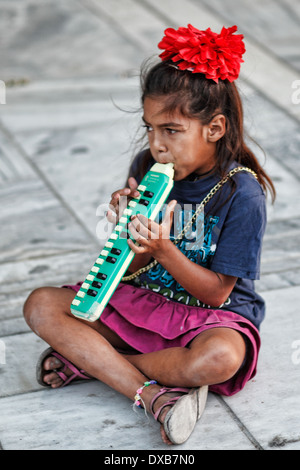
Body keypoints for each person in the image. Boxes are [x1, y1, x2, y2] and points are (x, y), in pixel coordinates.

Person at [23, 24, 275, 446]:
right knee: (42, 305)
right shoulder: (147, 164)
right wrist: (129, 231)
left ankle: (94, 364)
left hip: (210, 317)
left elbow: (216, 294)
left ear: (214, 128)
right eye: (150, 128)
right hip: (148, 301)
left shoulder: (242, 193)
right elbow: (129, 269)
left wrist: (165, 248)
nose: (157, 145)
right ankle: (152, 393)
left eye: (171, 130)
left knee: (220, 359)